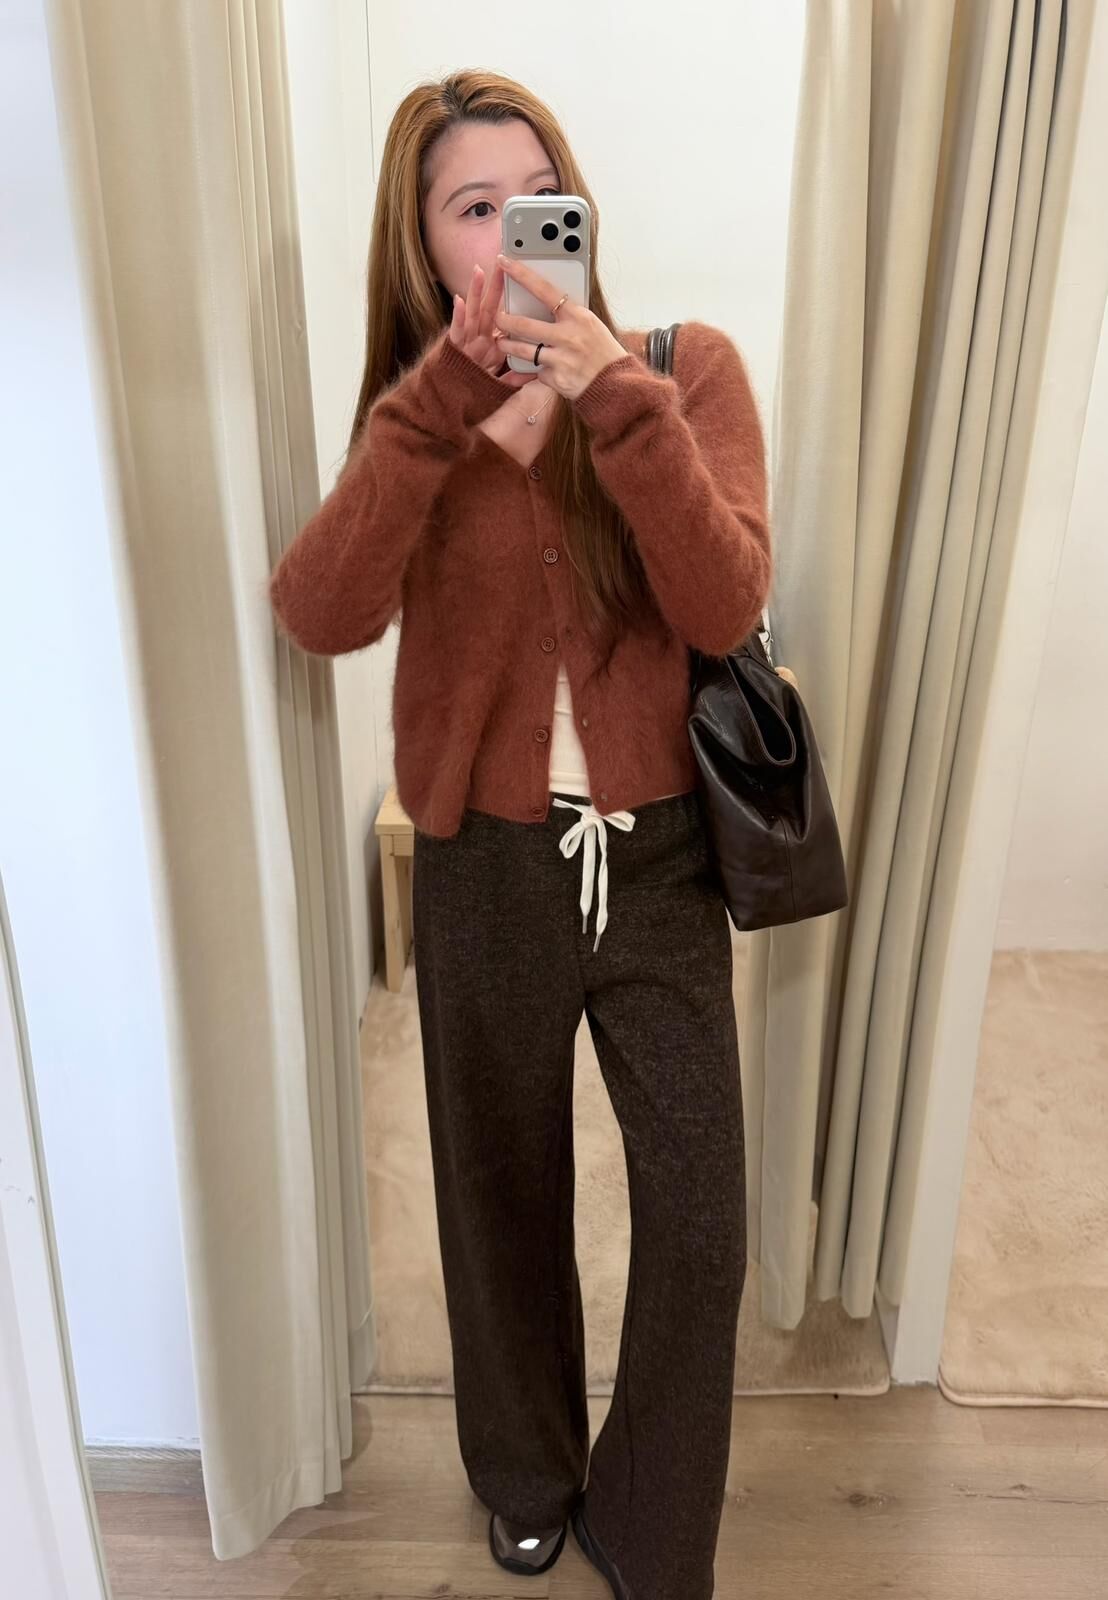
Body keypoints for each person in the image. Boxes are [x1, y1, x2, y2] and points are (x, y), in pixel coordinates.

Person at [268, 67, 772, 1600]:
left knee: (700, 1219)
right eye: (473, 209)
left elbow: (724, 604)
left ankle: (652, 1518)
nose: (512, 232)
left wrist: (612, 393)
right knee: (499, 1195)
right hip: (483, 865)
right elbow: (319, 612)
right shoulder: (414, 424)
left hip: (658, 857)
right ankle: (528, 1476)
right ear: (425, 250)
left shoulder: (685, 374)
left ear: (580, 211)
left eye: (538, 197)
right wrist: (436, 407)